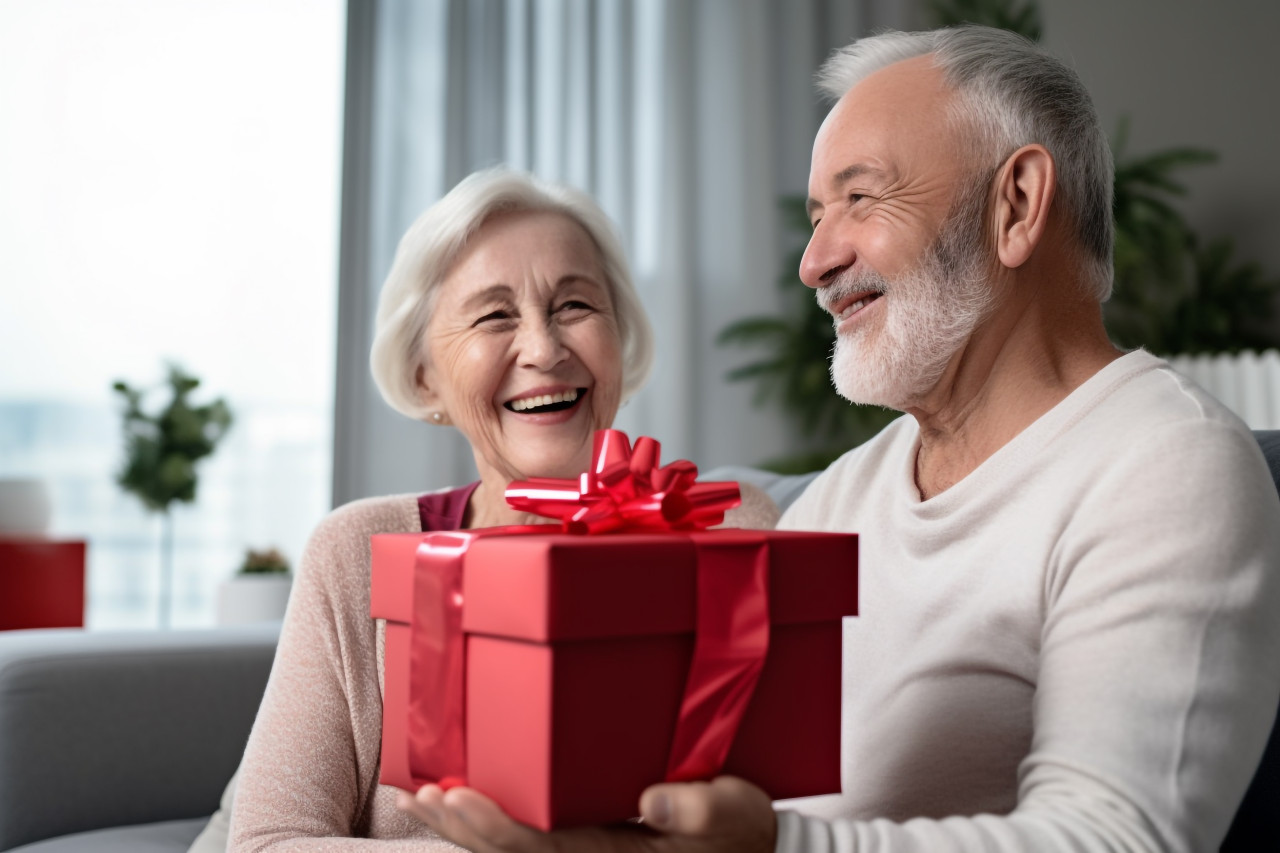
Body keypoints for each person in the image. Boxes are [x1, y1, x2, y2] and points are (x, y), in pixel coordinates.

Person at [402, 25, 1280, 853]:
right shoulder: (841, 498)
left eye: (859, 198)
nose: (813, 261)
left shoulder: (1167, 466)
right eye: (816, 215)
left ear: (1016, 204)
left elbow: (1112, 838)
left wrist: (779, 844)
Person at [217, 168, 779, 852]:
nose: (544, 349)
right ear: (427, 375)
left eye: (575, 306)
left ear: (619, 343)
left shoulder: (726, 527)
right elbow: (269, 841)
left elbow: (779, 819)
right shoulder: (356, 551)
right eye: (494, 315)